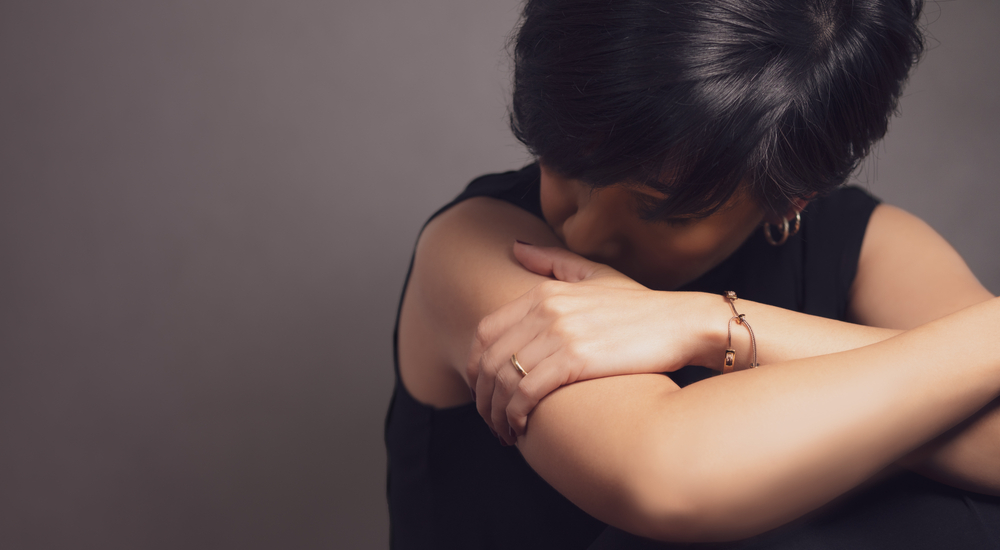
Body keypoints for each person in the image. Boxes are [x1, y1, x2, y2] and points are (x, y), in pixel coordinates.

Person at [385, 0, 1000, 548]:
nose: (582, 234)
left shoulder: (869, 244)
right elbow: (665, 475)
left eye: (662, 213)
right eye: (566, 162)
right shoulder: (478, 242)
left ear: (792, 198)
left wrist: (709, 324)